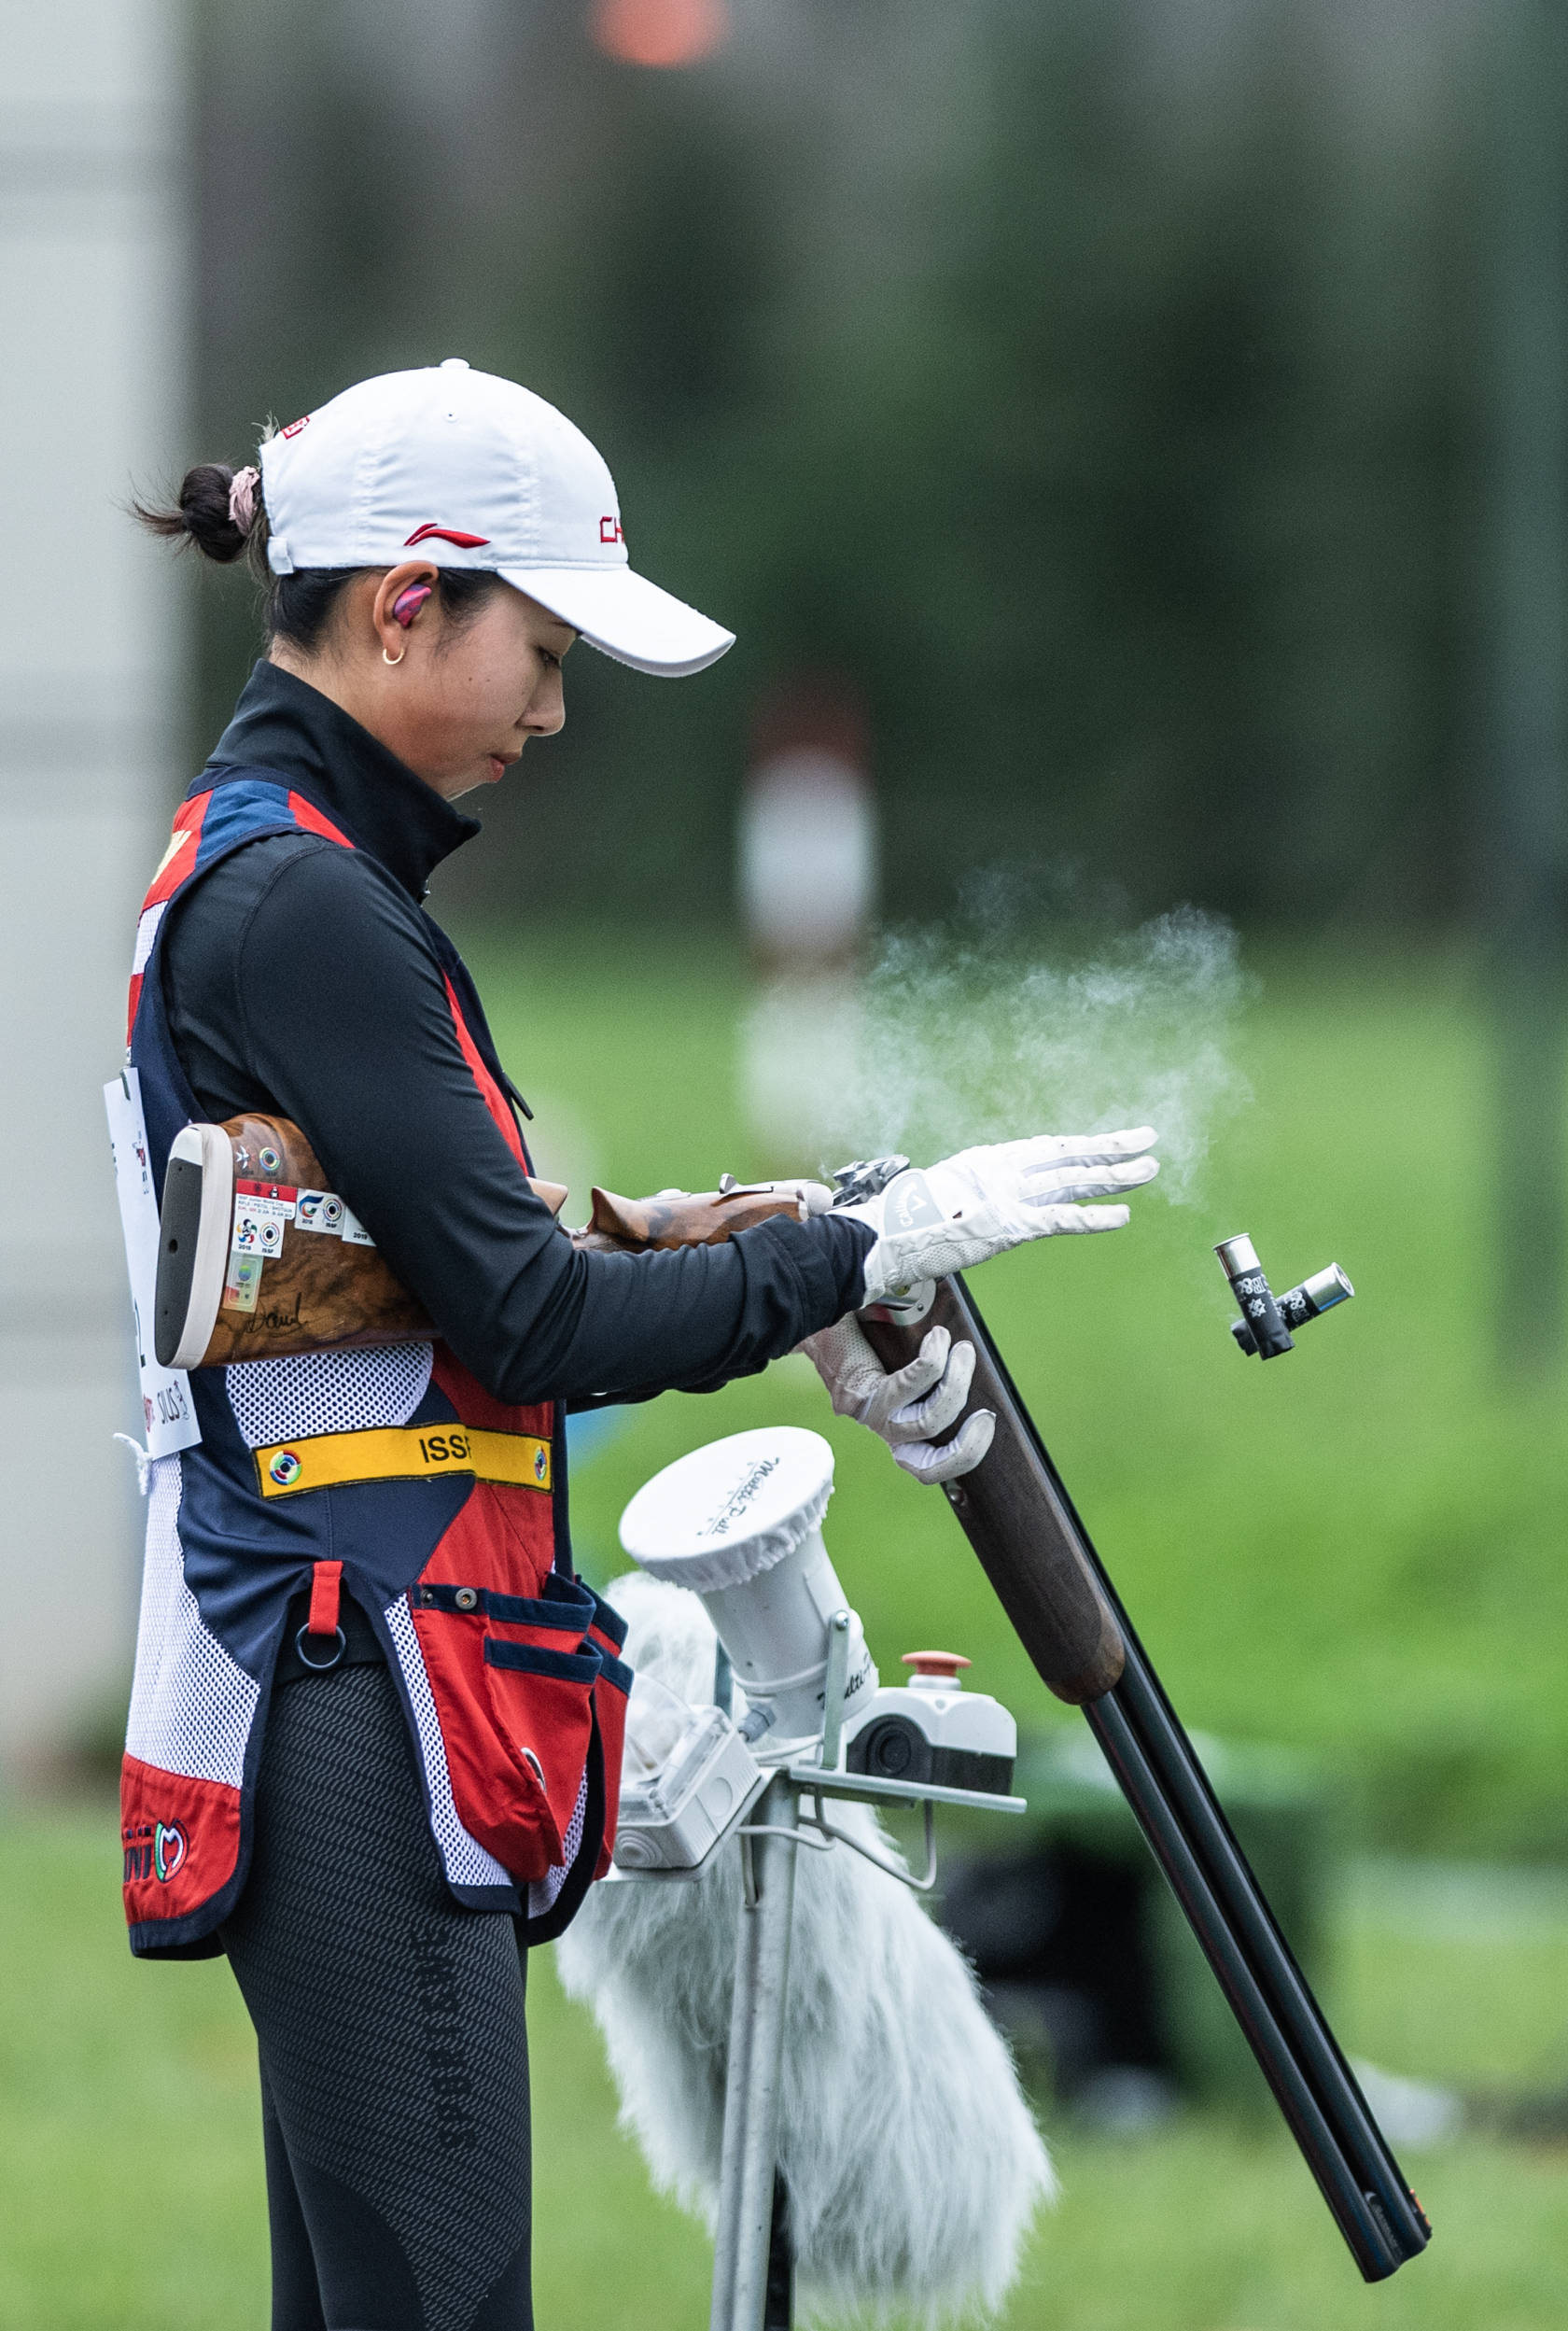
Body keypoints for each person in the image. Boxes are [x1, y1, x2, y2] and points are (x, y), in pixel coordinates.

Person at [123, 358, 1158, 2331]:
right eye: (540, 639)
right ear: (407, 598)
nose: (556, 702)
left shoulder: (285, 877)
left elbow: (450, 1274)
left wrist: (789, 1256)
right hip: (359, 1680)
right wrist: (868, 1240)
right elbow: (531, 1315)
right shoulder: (308, 906)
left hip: (345, 1667)